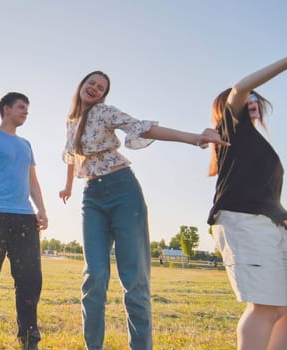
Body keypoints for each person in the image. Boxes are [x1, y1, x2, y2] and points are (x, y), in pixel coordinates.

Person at [58, 71, 226, 350]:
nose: (95, 89)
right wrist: (68, 187)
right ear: (82, 85)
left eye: (101, 88)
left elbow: (143, 128)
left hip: (123, 190)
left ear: (103, 95)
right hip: (92, 197)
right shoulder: (71, 121)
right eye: (92, 83)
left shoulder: (104, 112)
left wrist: (195, 138)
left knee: (134, 279)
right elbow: (72, 157)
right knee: (94, 277)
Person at [207, 53, 287, 350]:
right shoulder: (230, 130)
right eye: (247, 98)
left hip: (272, 228)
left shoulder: (262, 148)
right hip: (243, 223)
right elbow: (241, 87)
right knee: (266, 308)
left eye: (256, 96)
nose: (251, 99)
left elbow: (275, 208)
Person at [0, 92, 48, 350]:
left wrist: (42, 209)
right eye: (21, 107)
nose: (25, 112)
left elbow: (32, 181)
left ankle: (29, 340)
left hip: (25, 217)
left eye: (27, 108)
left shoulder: (26, 144)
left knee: (30, 279)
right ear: (6, 109)